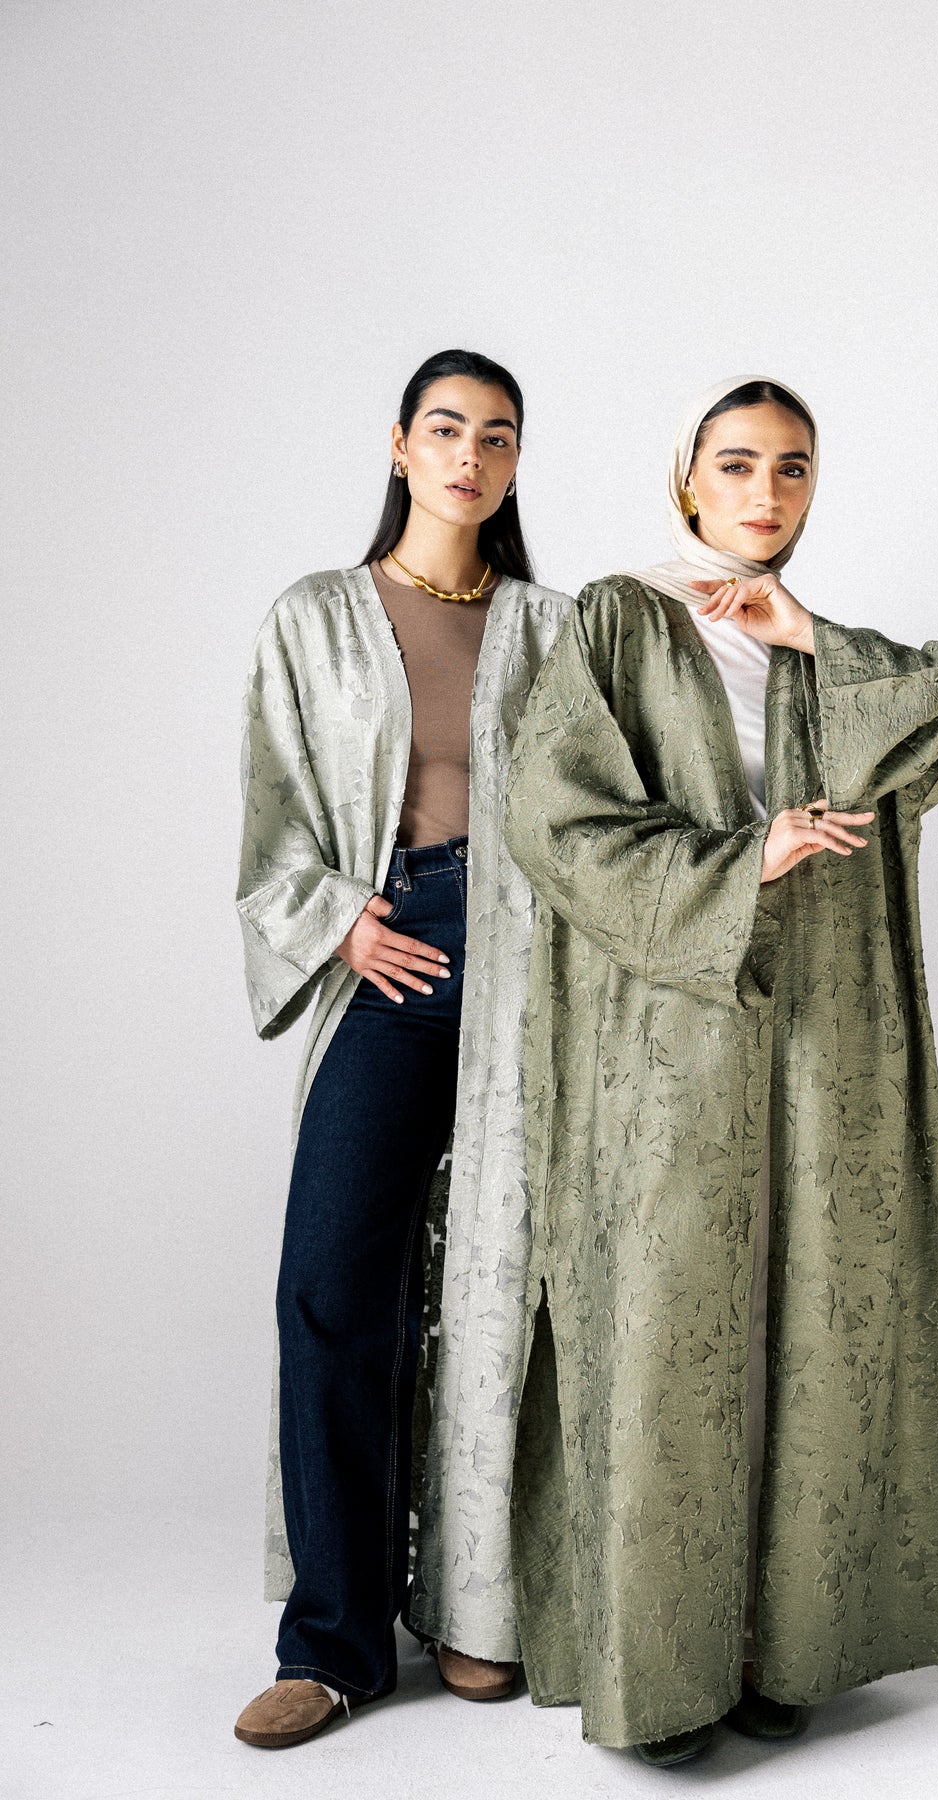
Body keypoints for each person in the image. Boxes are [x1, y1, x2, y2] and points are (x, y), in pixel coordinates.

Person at [500, 376, 938, 1765]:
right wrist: (749, 859)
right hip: (668, 1031)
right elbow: (554, 822)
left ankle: (775, 1648)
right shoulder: (617, 620)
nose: (765, 491)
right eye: (736, 464)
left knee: (806, 1320)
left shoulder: (813, 653)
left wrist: (811, 634)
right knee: (671, 1326)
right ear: (687, 478)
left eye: (792, 467)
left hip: (820, 1030)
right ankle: (663, 1677)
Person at [233, 348, 571, 1749]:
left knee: (503, 1289)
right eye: (446, 430)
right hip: (394, 948)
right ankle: (334, 1645)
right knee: (331, 1286)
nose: (469, 457)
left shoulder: (555, 629)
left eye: (496, 437)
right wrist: (339, 926)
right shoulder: (315, 618)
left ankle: (481, 1616)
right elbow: (272, 820)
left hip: (533, 963)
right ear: (399, 444)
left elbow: (615, 806)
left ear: (515, 462)